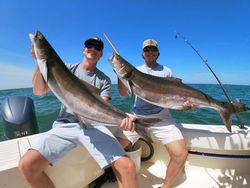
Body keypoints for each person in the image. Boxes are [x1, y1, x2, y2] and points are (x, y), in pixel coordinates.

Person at [18, 37, 138, 188]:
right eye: (89, 45)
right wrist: (39, 61)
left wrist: (123, 118)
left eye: (97, 47)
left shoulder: (104, 80)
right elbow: (38, 91)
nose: (93, 49)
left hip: (93, 125)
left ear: (101, 54)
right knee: (26, 165)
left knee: (128, 167)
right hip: (65, 125)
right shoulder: (66, 69)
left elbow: (102, 107)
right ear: (83, 49)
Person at [115, 39, 193, 188]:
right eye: (147, 50)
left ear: (158, 53)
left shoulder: (166, 71)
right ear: (142, 54)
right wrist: (120, 75)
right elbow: (123, 93)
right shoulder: (134, 71)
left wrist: (184, 105)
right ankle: (121, 174)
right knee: (113, 148)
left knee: (180, 154)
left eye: (153, 49)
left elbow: (173, 95)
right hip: (137, 116)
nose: (150, 52)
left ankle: (166, 186)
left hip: (162, 117)